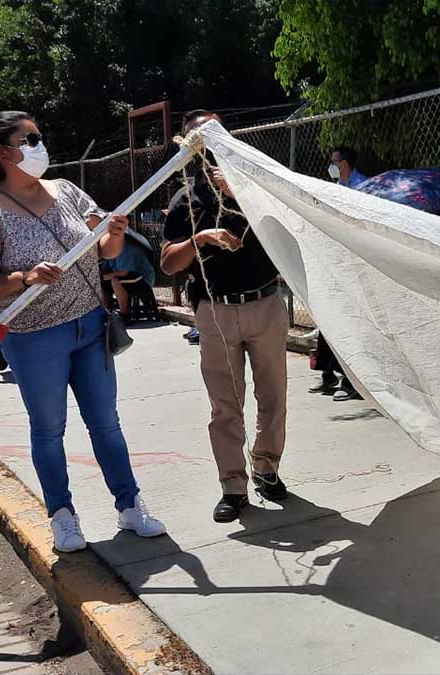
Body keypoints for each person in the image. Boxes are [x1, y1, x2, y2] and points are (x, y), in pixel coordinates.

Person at [0, 110, 165, 552]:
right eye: (29, 139)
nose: (38, 146)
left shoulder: (66, 191)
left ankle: (129, 505)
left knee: (106, 424)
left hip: (89, 324)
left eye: (38, 137)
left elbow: (104, 249)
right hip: (33, 336)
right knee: (49, 429)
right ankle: (62, 515)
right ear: (1, 152)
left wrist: (116, 234)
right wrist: (25, 278)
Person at [161, 109, 289, 523]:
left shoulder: (257, 185)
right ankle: (233, 486)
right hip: (216, 311)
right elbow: (167, 264)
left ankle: (266, 468)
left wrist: (238, 197)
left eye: (217, 132)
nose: (210, 143)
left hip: (266, 304)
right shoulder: (186, 198)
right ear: (186, 146)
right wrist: (200, 238)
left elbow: (286, 235)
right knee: (225, 405)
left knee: (273, 397)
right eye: (200, 137)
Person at [311, 146, 369, 401]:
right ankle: (328, 374)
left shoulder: (363, 188)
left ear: (345, 163)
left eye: (334, 161)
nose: (331, 164)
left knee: (351, 321)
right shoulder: (337, 187)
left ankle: (352, 381)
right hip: (337, 261)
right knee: (329, 317)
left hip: (356, 263)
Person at [100, 230, 155, 316]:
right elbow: (106, 267)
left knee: (115, 281)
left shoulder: (127, 247)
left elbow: (124, 273)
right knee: (100, 283)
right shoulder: (111, 249)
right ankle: (105, 312)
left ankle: (124, 313)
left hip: (142, 278)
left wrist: (106, 276)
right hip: (128, 277)